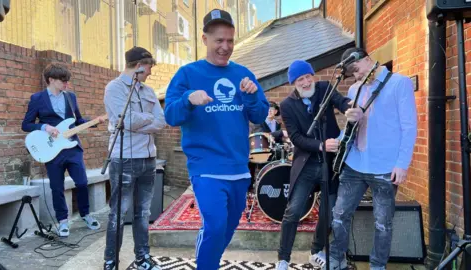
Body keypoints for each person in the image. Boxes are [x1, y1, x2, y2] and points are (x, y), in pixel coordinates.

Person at [164, 9, 269, 270]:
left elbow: (260, 114)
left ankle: (209, 258)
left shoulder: (243, 73)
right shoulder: (188, 74)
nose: (225, 47)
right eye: (219, 40)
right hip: (206, 166)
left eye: (230, 41)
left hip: (238, 167)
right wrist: (188, 99)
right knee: (215, 225)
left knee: (228, 227)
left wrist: (252, 96)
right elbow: (170, 115)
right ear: (204, 39)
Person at [327, 47, 417, 270]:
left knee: (382, 222)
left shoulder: (399, 83)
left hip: (385, 167)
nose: (355, 76)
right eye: (352, 74)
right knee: (339, 214)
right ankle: (337, 259)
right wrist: (340, 138)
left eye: (356, 70)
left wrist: (402, 163)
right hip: (354, 163)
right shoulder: (355, 89)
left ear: (368, 60)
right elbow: (351, 128)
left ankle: (377, 266)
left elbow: (409, 126)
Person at [274, 60, 352, 269]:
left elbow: (341, 101)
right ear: (294, 83)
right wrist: (320, 145)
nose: (306, 81)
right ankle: (283, 258)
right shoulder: (287, 105)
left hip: (331, 164)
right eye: (301, 79)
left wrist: (349, 108)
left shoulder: (325, 88)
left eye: (308, 76)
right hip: (306, 164)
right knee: (294, 210)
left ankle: (316, 251)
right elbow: (296, 138)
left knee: (329, 212)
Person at [21, 63, 104, 237]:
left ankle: (85, 215)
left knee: (81, 182)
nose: (67, 84)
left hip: (72, 147)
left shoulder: (70, 97)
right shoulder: (37, 98)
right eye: (63, 81)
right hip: (51, 150)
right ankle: (63, 221)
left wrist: (93, 122)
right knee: (56, 187)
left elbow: (78, 120)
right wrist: (45, 127)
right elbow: (26, 124)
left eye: (67, 81)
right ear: (51, 80)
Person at [102, 47, 166, 270]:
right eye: (149, 66)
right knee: (118, 215)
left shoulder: (148, 92)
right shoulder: (114, 88)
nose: (150, 72)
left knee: (143, 214)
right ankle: (111, 262)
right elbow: (125, 121)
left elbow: (161, 121)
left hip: (148, 159)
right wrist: (145, 120)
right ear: (138, 65)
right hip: (125, 159)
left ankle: (143, 259)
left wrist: (141, 121)